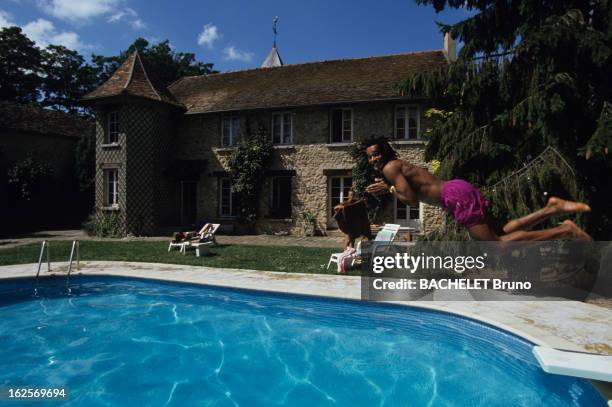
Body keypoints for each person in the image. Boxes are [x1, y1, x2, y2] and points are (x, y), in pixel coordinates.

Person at [363, 137, 592, 241]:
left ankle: (565, 231)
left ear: (385, 152)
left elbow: (411, 200)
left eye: (377, 153)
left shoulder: (390, 169)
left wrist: (390, 189)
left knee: (496, 247)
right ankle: (551, 208)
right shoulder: (397, 166)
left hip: (454, 197)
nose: (374, 159)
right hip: (457, 190)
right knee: (502, 232)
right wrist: (391, 187)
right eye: (370, 156)